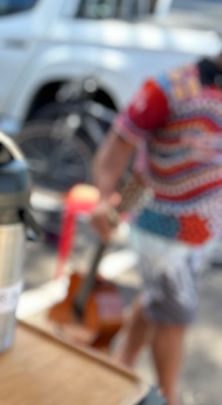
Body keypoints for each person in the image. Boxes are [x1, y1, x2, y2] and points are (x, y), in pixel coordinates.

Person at [89, 53, 222, 405]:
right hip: (160, 226)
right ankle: (169, 398)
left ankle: (121, 366)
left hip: (202, 230)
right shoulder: (169, 87)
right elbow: (118, 143)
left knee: (156, 302)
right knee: (175, 315)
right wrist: (104, 198)